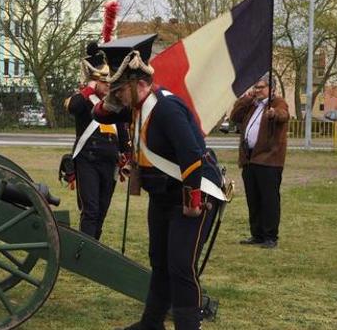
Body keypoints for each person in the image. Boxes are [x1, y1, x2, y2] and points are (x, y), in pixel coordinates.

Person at [92, 34, 225, 330]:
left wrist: (192, 201)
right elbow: (97, 112)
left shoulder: (166, 108)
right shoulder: (135, 106)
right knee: (160, 262)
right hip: (163, 196)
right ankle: (151, 323)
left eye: (122, 89)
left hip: (193, 192)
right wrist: (112, 101)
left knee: (180, 264)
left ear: (139, 84)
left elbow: (190, 153)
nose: (120, 96)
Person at [62, 42, 130, 240]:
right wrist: (90, 86)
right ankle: (86, 251)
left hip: (109, 162)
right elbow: (73, 106)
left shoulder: (113, 104)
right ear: (96, 81)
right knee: (90, 209)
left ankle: (94, 247)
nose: (109, 86)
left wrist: (127, 153)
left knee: (102, 210)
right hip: (87, 160)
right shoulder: (84, 100)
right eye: (105, 82)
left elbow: (122, 131)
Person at [230, 77, 288, 249]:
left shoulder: (278, 102)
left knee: (269, 199)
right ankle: (257, 234)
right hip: (250, 159)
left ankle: (270, 236)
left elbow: (283, 114)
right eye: (255, 87)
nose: (257, 90)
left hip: (269, 160)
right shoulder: (253, 104)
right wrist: (246, 99)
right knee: (253, 198)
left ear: (271, 88)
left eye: (261, 87)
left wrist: (273, 113)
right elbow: (235, 116)